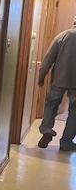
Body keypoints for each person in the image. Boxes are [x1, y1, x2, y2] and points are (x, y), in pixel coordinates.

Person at [38, 18, 76, 150]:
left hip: (59, 80)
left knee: (51, 105)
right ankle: (66, 142)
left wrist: (41, 77)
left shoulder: (63, 36)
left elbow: (48, 58)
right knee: (74, 112)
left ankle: (47, 129)